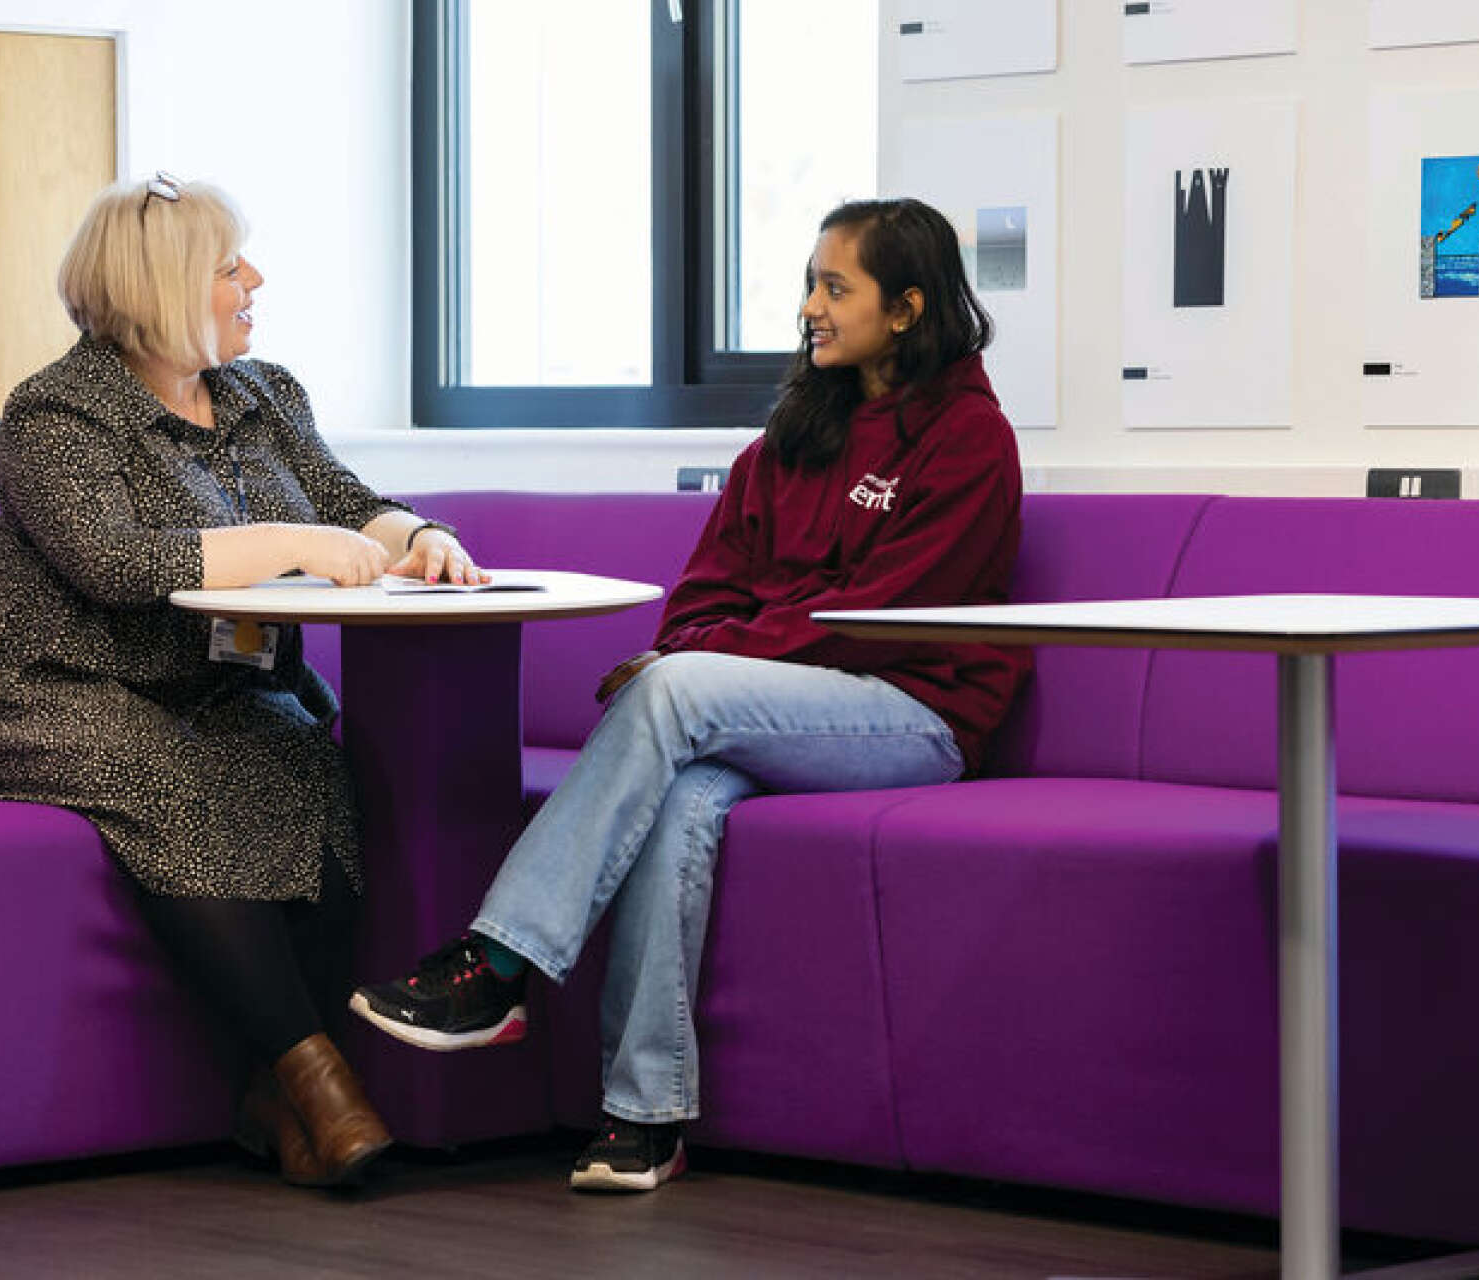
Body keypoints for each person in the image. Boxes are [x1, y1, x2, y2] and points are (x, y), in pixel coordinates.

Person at [350, 197, 1033, 1192]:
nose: (809, 306)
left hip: (912, 712)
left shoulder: (970, 438)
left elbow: (885, 611)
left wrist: (701, 669)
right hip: (769, 710)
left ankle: (496, 965)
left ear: (908, 307)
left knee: (673, 694)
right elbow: (703, 595)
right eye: (810, 282)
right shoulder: (784, 444)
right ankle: (645, 1115)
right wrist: (702, 660)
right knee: (679, 798)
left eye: (835, 287)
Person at [0, 172, 483, 1188]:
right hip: (45, 688)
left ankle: (273, 1096)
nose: (253, 280)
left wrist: (420, 534)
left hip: (209, 689)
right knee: (171, 775)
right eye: (230, 266)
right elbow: (120, 563)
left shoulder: (263, 394)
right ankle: (323, 1089)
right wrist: (291, 543)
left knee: (313, 772)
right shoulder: (55, 414)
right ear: (164, 283)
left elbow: (352, 501)